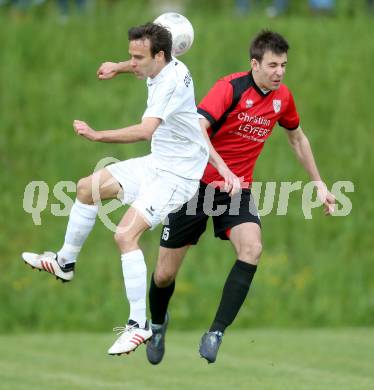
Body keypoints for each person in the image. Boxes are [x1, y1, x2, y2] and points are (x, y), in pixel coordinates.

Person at [95, 29, 335, 364]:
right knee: (164, 274)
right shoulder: (230, 88)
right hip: (193, 184)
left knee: (252, 249)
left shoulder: (283, 99)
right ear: (255, 64)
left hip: (235, 190)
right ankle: (159, 324)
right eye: (272, 65)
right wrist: (222, 169)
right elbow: (198, 129)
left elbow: (297, 138)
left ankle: (216, 331)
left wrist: (319, 183)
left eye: (283, 65)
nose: (279, 72)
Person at [21, 22, 211, 356]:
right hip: (157, 164)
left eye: (137, 57)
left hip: (177, 178)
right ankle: (65, 262)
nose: (132, 62)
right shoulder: (162, 64)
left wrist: (98, 136)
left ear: (161, 55)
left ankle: (139, 326)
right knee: (86, 188)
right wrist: (118, 67)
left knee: (125, 235)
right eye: (130, 56)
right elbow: (141, 65)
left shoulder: (171, 82)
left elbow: (145, 130)